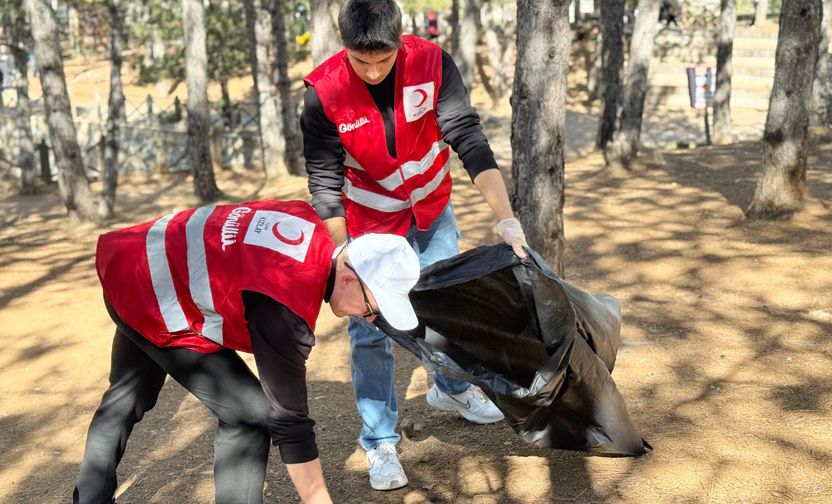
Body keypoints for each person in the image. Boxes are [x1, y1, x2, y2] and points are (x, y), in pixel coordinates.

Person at [300, 0, 528, 491]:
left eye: (385, 59)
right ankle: (380, 440)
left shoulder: (432, 62)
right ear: (344, 50)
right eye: (362, 62)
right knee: (371, 329)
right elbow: (324, 182)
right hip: (368, 224)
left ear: (401, 41)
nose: (375, 71)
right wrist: (349, 255)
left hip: (432, 210)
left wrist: (506, 219)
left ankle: (449, 389)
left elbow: (467, 138)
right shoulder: (324, 93)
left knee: (443, 304)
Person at [73, 200, 421, 504]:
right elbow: (290, 420)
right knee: (250, 414)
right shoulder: (285, 301)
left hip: (133, 263)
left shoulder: (306, 222)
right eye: (372, 307)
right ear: (348, 279)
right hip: (154, 294)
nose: (371, 318)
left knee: (126, 396)